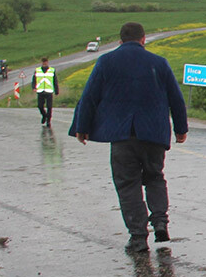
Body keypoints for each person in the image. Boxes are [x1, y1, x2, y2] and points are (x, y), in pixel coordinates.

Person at [69, 22, 189, 253]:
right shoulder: (159, 63)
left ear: (120, 40)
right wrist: (181, 129)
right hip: (154, 135)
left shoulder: (106, 62)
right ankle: (160, 222)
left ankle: (138, 237)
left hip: (122, 135)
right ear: (144, 39)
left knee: (127, 184)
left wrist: (82, 128)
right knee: (155, 177)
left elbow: (89, 97)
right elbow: (176, 99)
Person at [34, 57, 58, 126]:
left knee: (49, 107)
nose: (44, 63)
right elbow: (34, 80)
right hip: (40, 91)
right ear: (41, 62)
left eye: (45, 62)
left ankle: (48, 121)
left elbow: (55, 81)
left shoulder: (51, 70)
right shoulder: (37, 70)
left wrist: (56, 90)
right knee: (40, 106)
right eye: (43, 62)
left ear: (47, 62)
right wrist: (34, 87)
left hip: (49, 91)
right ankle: (44, 115)